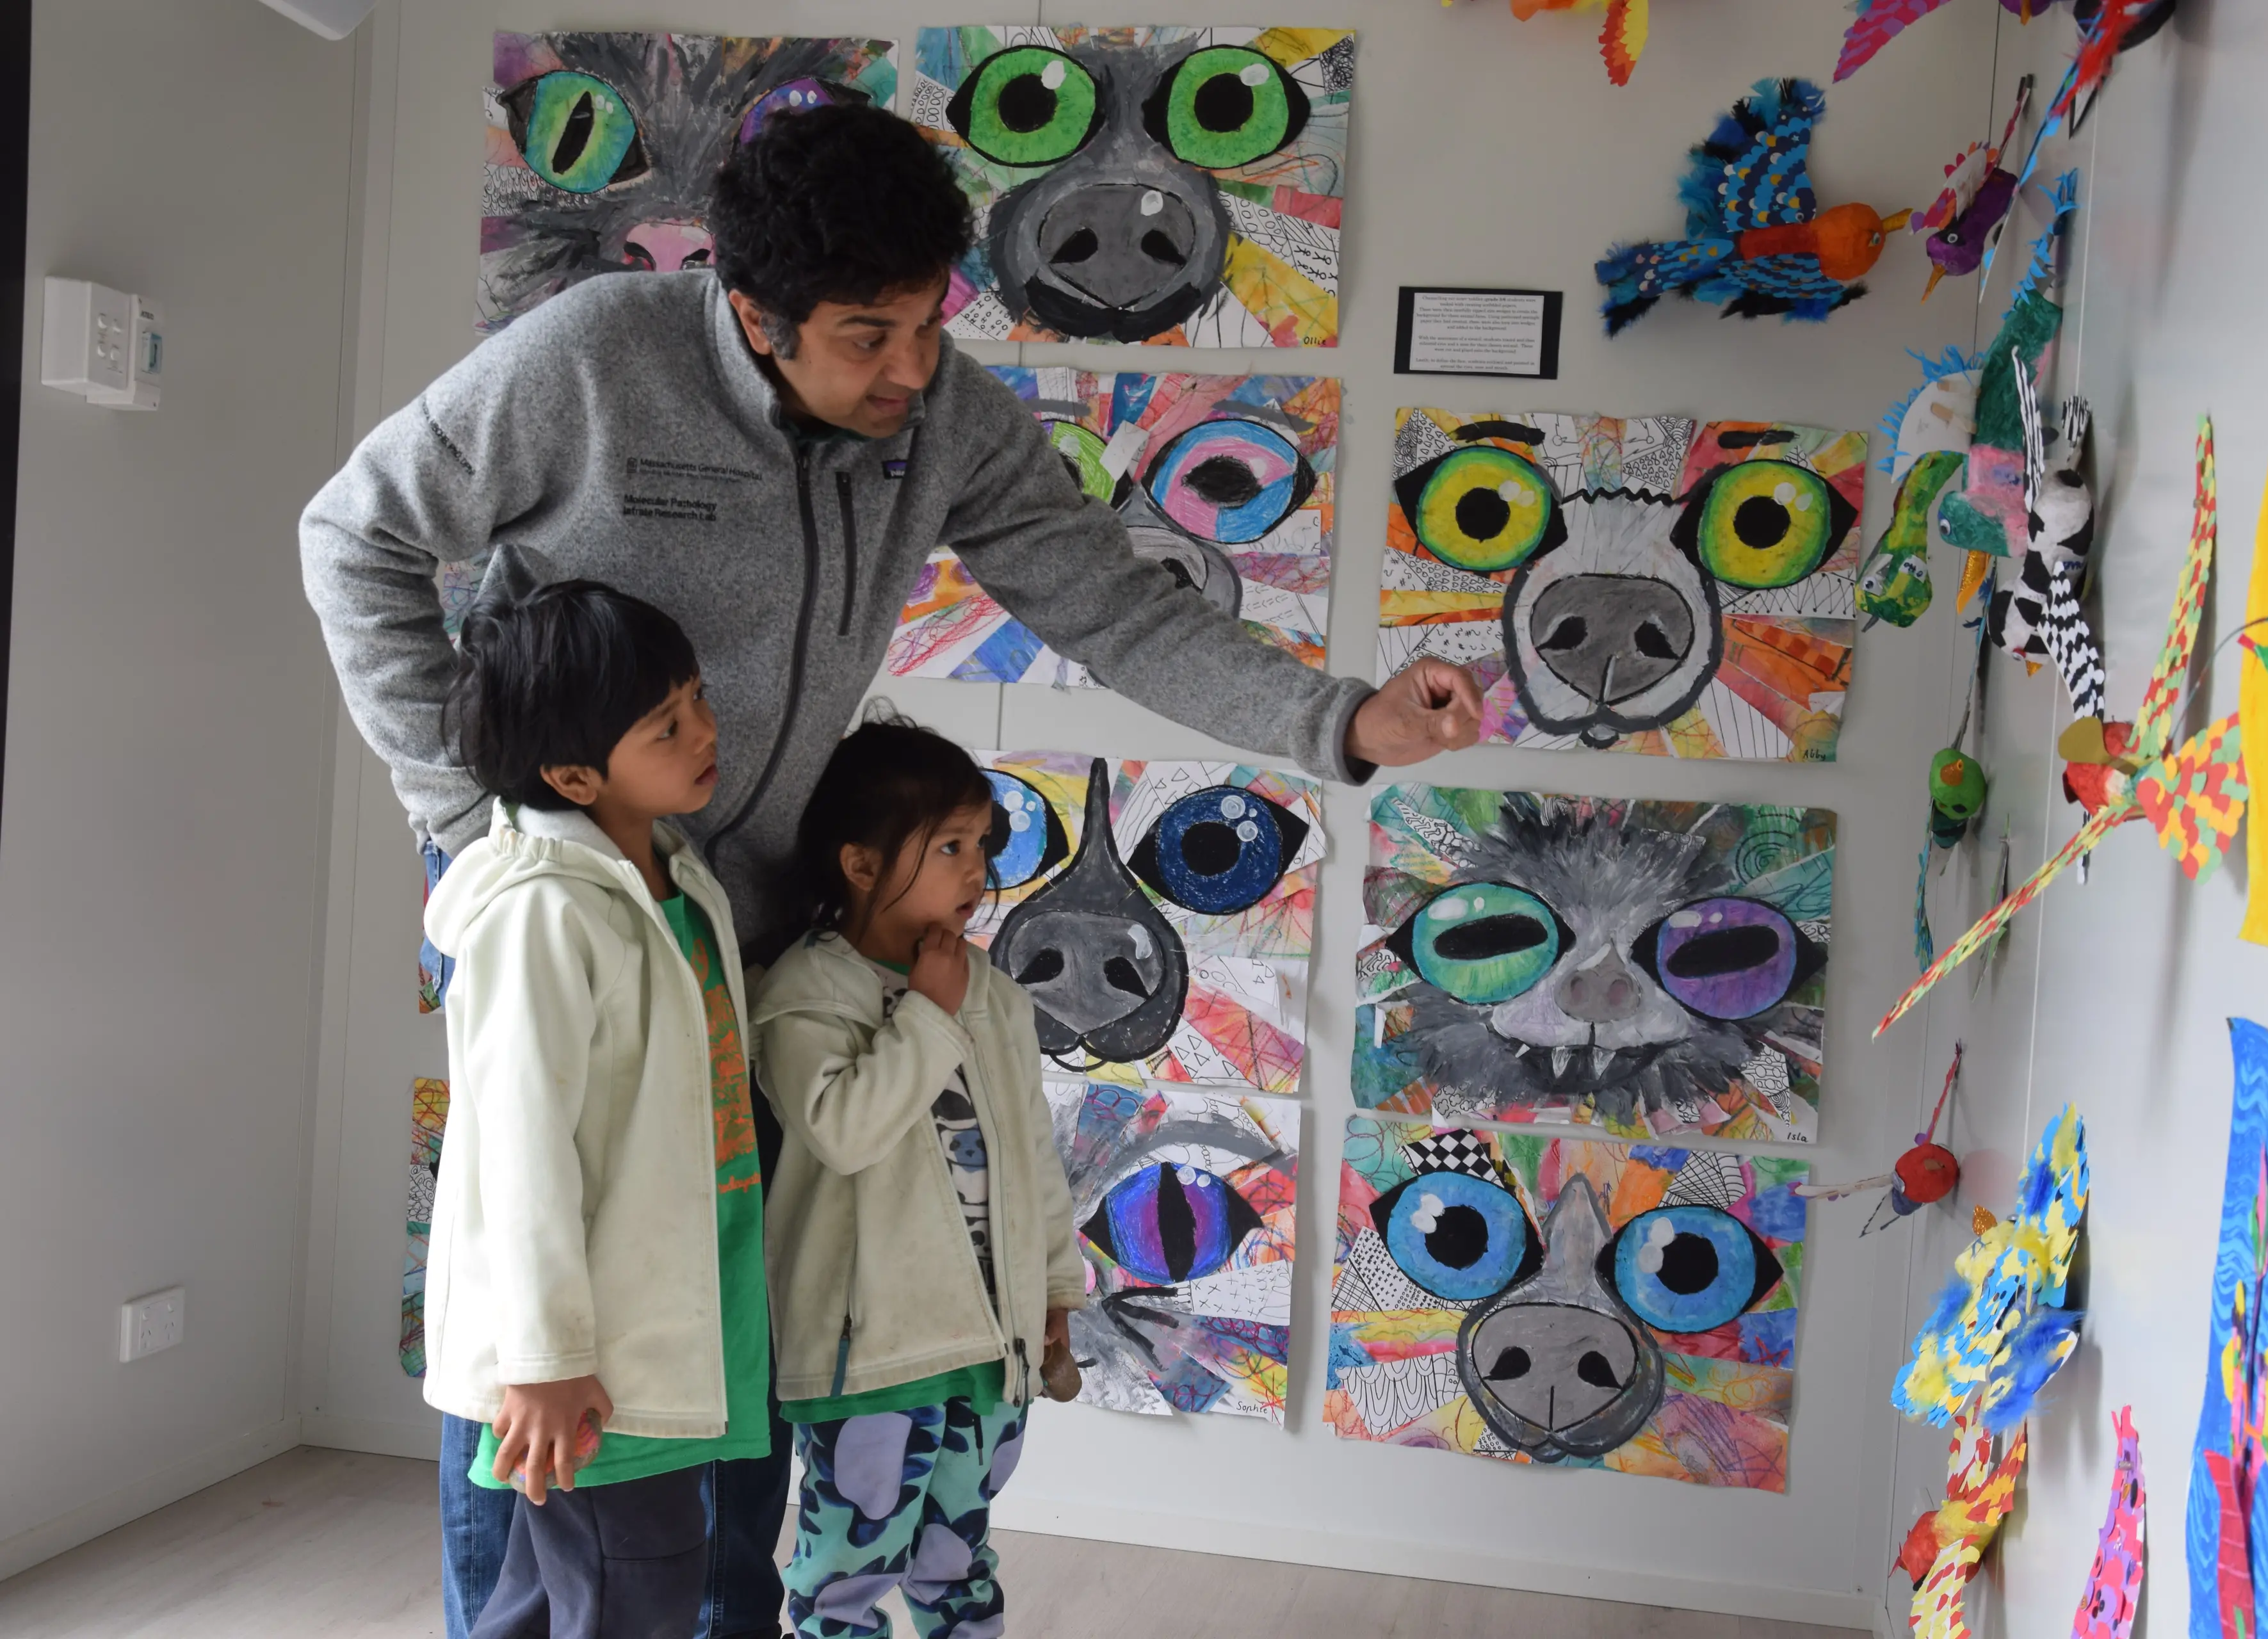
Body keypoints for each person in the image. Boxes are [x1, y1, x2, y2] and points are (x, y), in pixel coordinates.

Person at [299, 102, 1480, 1638]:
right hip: (583, 927)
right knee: (541, 1330)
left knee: (741, 1341)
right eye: (869, 336)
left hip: (765, 951)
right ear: (751, 311)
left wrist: (1349, 721)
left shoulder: (942, 418)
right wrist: (472, 826)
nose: (912, 371)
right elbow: (355, 538)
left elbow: (1116, 608)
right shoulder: (593, 360)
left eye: (929, 323)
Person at [420, 579, 771, 1639]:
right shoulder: (540, 917)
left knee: (557, 1598)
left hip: (666, 1315)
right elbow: (518, 1159)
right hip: (590, 1358)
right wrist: (545, 1358)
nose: (706, 732)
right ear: (574, 774)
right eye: (666, 725)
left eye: (697, 699)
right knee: (633, 1592)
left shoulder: (679, 878)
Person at [750, 718, 1081, 1638]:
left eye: (982, 845)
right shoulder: (806, 992)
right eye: (949, 846)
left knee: (960, 1567)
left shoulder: (994, 992)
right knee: (845, 1581)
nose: (976, 870)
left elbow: (1031, 1157)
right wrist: (928, 1016)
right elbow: (845, 1132)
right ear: (861, 865)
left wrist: (1053, 1288)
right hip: (874, 1356)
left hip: (988, 1349)